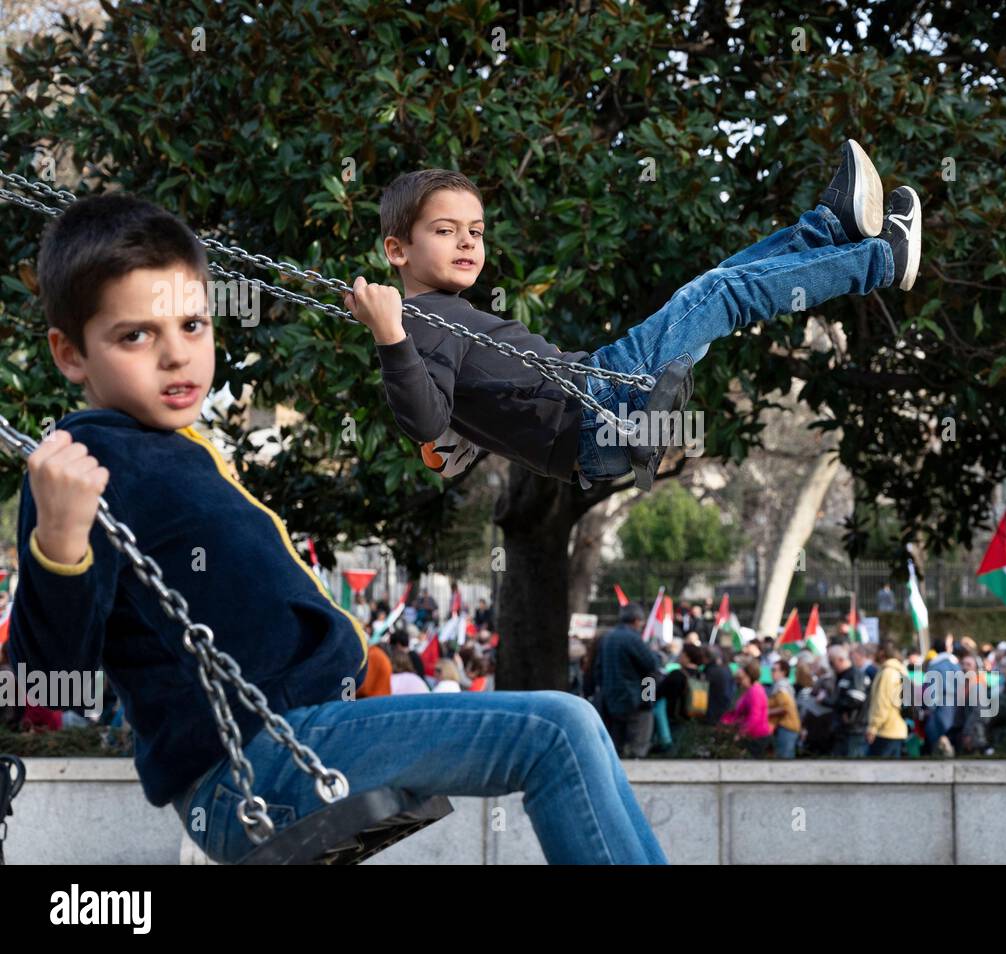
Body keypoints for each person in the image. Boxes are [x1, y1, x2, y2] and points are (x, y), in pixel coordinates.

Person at [7, 194, 666, 865]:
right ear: (69, 354)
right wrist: (59, 543)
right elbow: (47, 675)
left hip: (303, 740)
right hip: (254, 771)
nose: (177, 356)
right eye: (136, 335)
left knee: (569, 728)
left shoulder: (174, 447)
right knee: (558, 729)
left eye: (194, 325)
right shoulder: (81, 467)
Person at [349, 141, 924, 487]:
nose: (467, 244)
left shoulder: (441, 318)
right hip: (597, 406)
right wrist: (389, 334)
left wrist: (455, 431)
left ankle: (830, 229)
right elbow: (423, 420)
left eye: (474, 231)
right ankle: (879, 259)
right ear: (397, 249)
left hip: (596, 411)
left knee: (716, 285)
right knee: (715, 294)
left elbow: (448, 430)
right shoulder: (418, 322)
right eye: (445, 232)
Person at [593, 603, 658, 758]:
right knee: (639, 740)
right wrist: (654, 653)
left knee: (616, 745)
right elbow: (651, 664)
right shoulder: (633, 638)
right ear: (636, 620)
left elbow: (598, 668)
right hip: (636, 697)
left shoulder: (607, 637)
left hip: (611, 698)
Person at [720, 659, 773, 757]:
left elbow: (754, 717)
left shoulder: (755, 691)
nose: (739, 681)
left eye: (741, 678)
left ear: (748, 675)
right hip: (750, 735)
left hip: (755, 738)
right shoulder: (749, 690)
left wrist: (741, 733)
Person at [864, 641, 908, 757]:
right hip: (896, 729)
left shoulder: (887, 673)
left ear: (882, 652)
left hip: (885, 731)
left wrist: (873, 727)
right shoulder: (899, 670)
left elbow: (882, 703)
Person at [826, 644, 871, 757]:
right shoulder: (841, 675)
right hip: (843, 730)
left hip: (854, 730)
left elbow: (856, 700)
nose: (831, 666)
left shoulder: (855, 675)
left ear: (840, 659)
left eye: (832, 662)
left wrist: (835, 704)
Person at [767, 659, 802, 758]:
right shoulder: (782, 685)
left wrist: (766, 712)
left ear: (783, 672)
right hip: (787, 728)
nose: (772, 672)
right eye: (771, 670)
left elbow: (785, 708)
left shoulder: (782, 687)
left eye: (774, 670)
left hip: (787, 728)